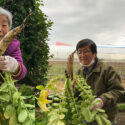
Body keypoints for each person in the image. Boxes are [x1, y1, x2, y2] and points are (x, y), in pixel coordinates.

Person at [76, 38, 125, 125]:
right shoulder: (79, 72)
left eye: (85, 51)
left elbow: (118, 91)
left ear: (95, 53)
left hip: (105, 117)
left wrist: (102, 100)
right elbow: (76, 93)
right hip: (87, 116)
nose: (82, 55)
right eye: (79, 52)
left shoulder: (107, 70)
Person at [0, 7, 27, 80]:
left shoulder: (13, 45)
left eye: (4, 25)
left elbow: (23, 72)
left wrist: (15, 67)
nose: (0, 29)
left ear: (9, 28)